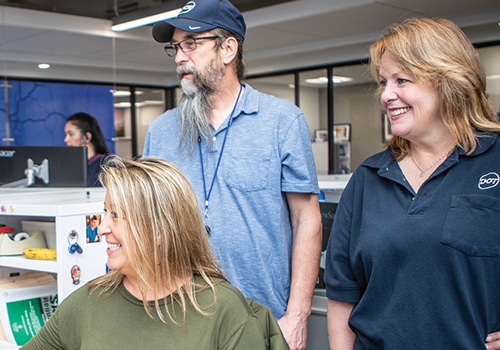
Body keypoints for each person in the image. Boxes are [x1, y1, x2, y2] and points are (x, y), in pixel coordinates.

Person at [145, 1, 322, 348]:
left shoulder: (282, 122)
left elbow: (307, 220)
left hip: (259, 319)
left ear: (228, 48)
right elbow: (150, 224)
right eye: (175, 47)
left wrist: (298, 315)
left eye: (191, 44)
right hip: (178, 321)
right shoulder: (161, 131)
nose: (180, 57)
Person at [324, 17, 500, 349]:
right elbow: (342, 295)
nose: (387, 95)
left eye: (402, 80)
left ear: (448, 80)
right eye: (383, 82)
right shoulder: (368, 178)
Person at [21, 156, 286, 349]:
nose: (102, 229)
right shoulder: (87, 304)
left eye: (116, 215)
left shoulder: (223, 311)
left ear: (160, 229)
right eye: (105, 213)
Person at [64, 112, 110, 187]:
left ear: (87, 137)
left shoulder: (104, 165)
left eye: (71, 134)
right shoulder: (71, 166)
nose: (66, 140)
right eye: (65, 135)